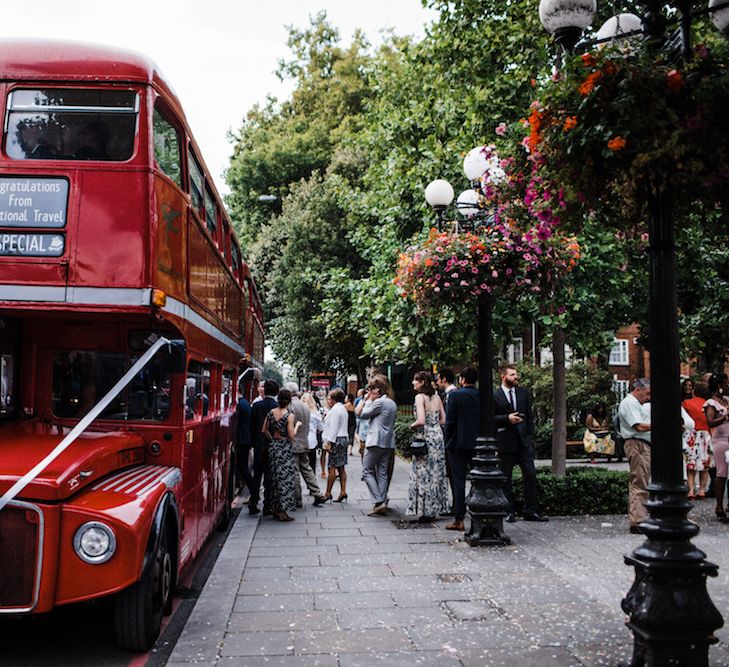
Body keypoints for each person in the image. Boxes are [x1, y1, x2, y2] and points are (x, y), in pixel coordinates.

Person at [494, 364, 547, 523]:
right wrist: (506, 418)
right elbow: (490, 419)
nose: (515, 377)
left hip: (524, 442)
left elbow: (529, 416)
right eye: (512, 375)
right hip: (505, 442)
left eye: (515, 374)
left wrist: (530, 437)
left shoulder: (523, 392)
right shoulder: (494, 395)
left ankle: (530, 511)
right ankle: (509, 510)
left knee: (530, 475)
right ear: (503, 377)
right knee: (506, 478)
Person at [406, 371, 449, 522]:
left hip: (425, 437)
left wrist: (411, 425)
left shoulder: (419, 397)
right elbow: (443, 419)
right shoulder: (437, 396)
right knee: (436, 472)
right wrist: (435, 425)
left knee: (423, 472)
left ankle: (424, 509)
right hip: (437, 436)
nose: (413, 382)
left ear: (422, 382)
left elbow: (421, 420)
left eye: (415, 380)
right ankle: (436, 507)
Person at [444, 367, 480, 531]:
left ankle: (459, 518)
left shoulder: (455, 395)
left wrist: (448, 439)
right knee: (477, 480)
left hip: (457, 444)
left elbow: (450, 421)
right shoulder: (482, 395)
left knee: (458, 481)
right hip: (478, 443)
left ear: (463, 379)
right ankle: (476, 509)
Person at [357, 376, 398, 516]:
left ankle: (378, 500)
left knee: (367, 471)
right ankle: (381, 502)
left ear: (377, 390)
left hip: (375, 441)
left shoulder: (379, 402)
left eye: (371, 390)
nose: (369, 393)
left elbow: (363, 414)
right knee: (382, 473)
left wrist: (368, 400)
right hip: (388, 442)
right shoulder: (392, 403)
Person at [618, 378, 652, 534]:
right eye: (647, 393)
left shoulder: (635, 404)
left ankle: (640, 517)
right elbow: (638, 425)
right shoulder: (630, 403)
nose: (648, 397)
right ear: (638, 389)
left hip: (640, 444)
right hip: (637, 444)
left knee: (641, 480)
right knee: (640, 482)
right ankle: (638, 520)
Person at [284, 382, 325, 508]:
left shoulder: (290, 406)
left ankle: (297, 499)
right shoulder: (305, 406)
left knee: (295, 471)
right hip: (304, 442)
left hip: (294, 443)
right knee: (306, 469)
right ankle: (317, 494)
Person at [261, 389, 298, 522]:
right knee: (285, 480)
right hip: (284, 448)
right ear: (289, 401)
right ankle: (282, 511)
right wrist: (297, 426)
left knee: (274, 479)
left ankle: (274, 508)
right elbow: (291, 435)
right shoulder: (289, 415)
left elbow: (264, 429)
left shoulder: (271, 413)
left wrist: (271, 439)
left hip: (273, 447)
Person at [248, 379, 278, 515]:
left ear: (264, 390)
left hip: (259, 447)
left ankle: (253, 503)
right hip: (273, 445)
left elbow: (252, 427)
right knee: (269, 477)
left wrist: (253, 444)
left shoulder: (256, 406)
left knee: (257, 476)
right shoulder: (278, 407)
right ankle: (267, 505)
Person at [704, 374, 729, 521]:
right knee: (722, 472)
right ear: (718, 386)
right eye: (725, 383)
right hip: (720, 439)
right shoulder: (711, 403)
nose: (727, 386)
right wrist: (725, 417)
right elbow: (710, 422)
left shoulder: (726, 400)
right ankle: (719, 505)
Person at [683, 381, 713, 500]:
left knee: (691, 465)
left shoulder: (686, 403)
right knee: (704, 465)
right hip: (705, 435)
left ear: (694, 391)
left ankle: (690, 490)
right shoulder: (708, 404)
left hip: (692, 435)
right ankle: (701, 490)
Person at [321, 388, 350, 503]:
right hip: (343, 438)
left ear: (333, 399)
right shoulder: (342, 409)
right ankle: (343, 491)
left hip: (336, 440)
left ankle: (328, 493)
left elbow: (333, 427)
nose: (328, 400)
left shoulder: (335, 410)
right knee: (341, 467)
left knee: (332, 467)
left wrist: (329, 443)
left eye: (329, 398)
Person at [437, 367, 457, 514]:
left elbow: (449, 420)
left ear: (444, 379)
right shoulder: (448, 394)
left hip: (453, 441)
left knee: (454, 474)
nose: (437, 382)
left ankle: (457, 504)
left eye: (438, 379)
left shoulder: (453, 395)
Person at [235, 382, 253, 495]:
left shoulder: (240, 404)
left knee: (243, 467)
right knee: (243, 467)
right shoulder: (245, 403)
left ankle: (253, 491)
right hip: (245, 439)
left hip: (242, 439)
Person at [302, 392, 323, 475]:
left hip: (301, 440)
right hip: (312, 441)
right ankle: (311, 481)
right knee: (312, 463)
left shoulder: (299, 412)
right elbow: (320, 428)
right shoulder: (316, 413)